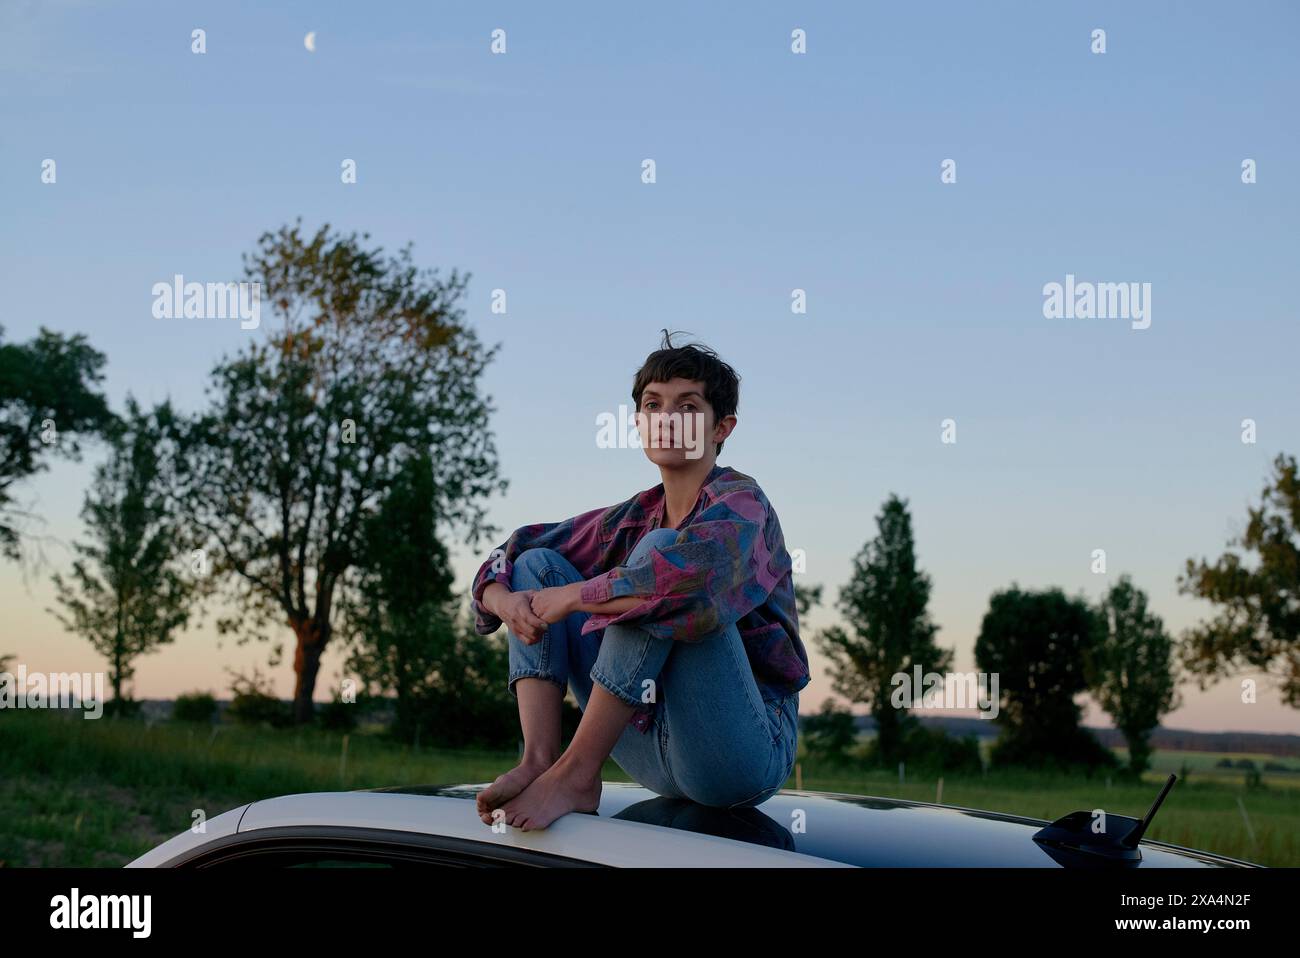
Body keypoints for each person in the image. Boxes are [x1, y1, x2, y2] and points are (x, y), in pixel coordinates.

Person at [469, 330, 810, 830]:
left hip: (738, 754)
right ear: (639, 422)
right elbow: (515, 549)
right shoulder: (632, 517)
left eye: (688, 407)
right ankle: (541, 760)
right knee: (538, 564)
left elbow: (685, 583)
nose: (668, 420)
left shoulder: (743, 505)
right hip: (652, 748)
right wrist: (500, 600)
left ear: (723, 428)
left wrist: (579, 595)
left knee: (655, 560)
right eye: (654, 405)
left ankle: (578, 773)